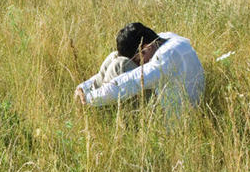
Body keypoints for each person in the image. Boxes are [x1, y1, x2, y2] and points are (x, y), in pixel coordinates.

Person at [74, 23, 205, 116]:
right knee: (115, 56)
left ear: (146, 47)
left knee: (120, 64)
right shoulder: (164, 39)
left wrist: (91, 98)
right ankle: (83, 94)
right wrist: (84, 87)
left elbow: (131, 82)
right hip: (165, 102)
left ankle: (98, 113)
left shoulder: (166, 57)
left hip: (170, 119)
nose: (139, 64)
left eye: (138, 61)